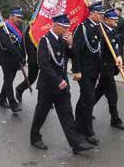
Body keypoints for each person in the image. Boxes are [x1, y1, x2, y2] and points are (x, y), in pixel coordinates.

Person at [30, 14, 94, 154]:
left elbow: (73, 56)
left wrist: (71, 44)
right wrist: (57, 80)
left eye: (67, 27)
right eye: (64, 27)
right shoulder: (44, 41)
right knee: (41, 113)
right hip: (48, 86)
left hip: (63, 86)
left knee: (67, 115)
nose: (67, 30)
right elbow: (43, 64)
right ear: (56, 25)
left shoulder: (63, 40)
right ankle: (35, 137)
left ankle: (75, 143)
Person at [71, 1, 106, 146]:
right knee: (90, 98)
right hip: (84, 71)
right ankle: (88, 132)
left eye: (103, 14)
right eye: (100, 14)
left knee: (85, 98)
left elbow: (98, 51)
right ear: (92, 13)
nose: (102, 16)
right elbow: (76, 51)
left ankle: (78, 124)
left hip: (94, 71)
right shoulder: (82, 28)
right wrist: (76, 70)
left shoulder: (99, 28)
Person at [93, 9, 124, 131]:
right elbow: (100, 53)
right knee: (112, 95)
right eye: (114, 19)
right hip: (104, 69)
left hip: (111, 67)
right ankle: (115, 120)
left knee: (98, 93)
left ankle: (85, 111)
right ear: (107, 20)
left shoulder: (112, 32)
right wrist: (99, 70)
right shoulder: (101, 32)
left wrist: (119, 60)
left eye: (116, 19)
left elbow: (116, 49)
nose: (116, 21)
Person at [0, 8, 26, 113]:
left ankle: (1, 99)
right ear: (11, 16)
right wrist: (18, 55)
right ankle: (13, 104)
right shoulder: (4, 27)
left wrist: (23, 57)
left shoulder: (19, 27)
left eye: (21, 18)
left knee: (8, 80)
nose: (20, 19)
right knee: (8, 81)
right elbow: (7, 44)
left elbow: (22, 43)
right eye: (18, 17)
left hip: (16, 59)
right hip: (7, 60)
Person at [15, 24, 38, 103]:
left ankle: (46, 98)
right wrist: (30, 57)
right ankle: (20, 89)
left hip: (46, 57)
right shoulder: (30, 27)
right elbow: (27, 44)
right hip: (34, 57)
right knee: (32, 78)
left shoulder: (47, 24)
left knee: (47, 79)